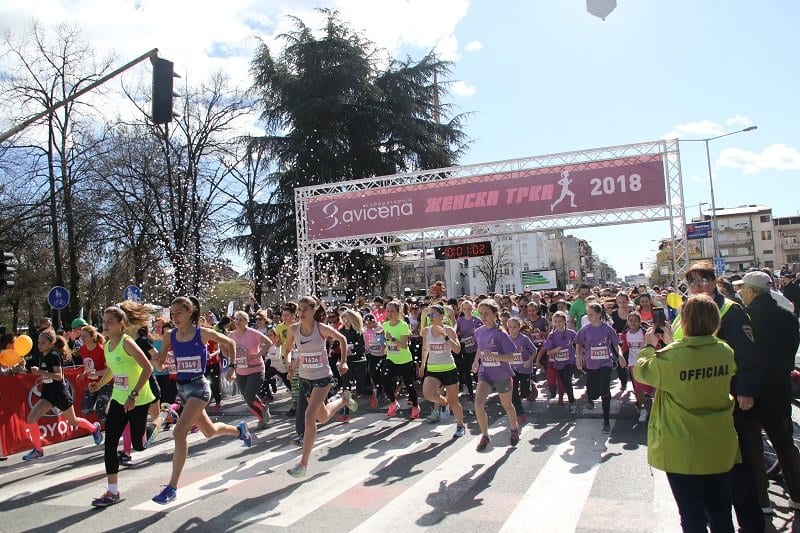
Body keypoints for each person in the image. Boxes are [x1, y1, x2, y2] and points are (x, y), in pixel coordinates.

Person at [633, 294, 738, 532]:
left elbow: (642, 373)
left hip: (682, 445)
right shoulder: (724, 351)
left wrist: (649, 346)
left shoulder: (672, 357)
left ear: (685, 321)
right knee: (721, 508)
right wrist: (673, 343)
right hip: (718, 443)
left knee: (691, 514)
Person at [677, 261, 763, 532]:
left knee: (737, 466)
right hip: (694, 402)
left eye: (702, 280)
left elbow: (747, 354)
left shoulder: (730, 310)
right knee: (707, 471)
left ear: (714, 282)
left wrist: (746, 391)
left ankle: (751, 524)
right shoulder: (686, 310)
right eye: (692, 282)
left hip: (727, 399)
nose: (697, 286)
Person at [151, 296, 252, 505]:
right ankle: (239, 430)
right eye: (173, 313)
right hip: (182, 389)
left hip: (199, 388)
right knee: (210, 431)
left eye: (179, 312)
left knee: (179, 432)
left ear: (190, 312)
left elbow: (230, 342)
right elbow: (160, 364)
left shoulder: (202, 333)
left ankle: (172, 488)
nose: (175, 317)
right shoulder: (170, 336)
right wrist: (158, 362)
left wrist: (232, 366)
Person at [736, 271, 800, 513]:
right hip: (779, 388)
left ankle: (762, 501)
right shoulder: (787, 315)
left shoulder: (745, 316)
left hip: (751, 390)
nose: (740, 292)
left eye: (743, 288)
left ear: (752, 291)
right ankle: (797, 495)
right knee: (785, 445)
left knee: (753, 448)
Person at [89, 305, 155, 507]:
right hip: (118, 399)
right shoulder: (107, 345)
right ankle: (112, 492)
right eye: (104, 321)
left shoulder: (127, 343)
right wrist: (99, 384)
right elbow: (112, 369)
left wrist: (133, 395)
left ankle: (164, 417)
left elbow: (148, 368)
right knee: (109, 444)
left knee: (139, 445)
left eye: (110, 321)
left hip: (138, 399)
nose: (105, 325)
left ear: (121, 324)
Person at [285, 296, 357, 478]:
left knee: (309, 416)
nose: (301, 313)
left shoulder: (321, 328)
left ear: (314, 310)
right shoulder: (293, 329)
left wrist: (343, 362)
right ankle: (344, 400)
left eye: (305, 310)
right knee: (322, 417)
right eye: (299, 310)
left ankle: (303, 464)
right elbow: (287, 350)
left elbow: (342, 339)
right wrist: (290, 364)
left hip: (322, 378)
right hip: (305, 379)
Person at [22, 328, 103, 462]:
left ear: (51, 343)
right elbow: (50, 373)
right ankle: (38, 450)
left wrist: (40, 372)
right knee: (31, 418)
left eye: (43, 343)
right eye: (39, 342)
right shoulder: (43, 356)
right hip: (48, 394)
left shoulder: (53, 355)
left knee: (73, 421)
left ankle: (94, 428)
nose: (39, 345)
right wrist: (42, 378)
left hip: (60, 394)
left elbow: (59, 376)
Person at [472, 299, 520, 451]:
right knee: (478, 405)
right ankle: (485, 436)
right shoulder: (478, 331)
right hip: (485, 373)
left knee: (507, 405)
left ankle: (514, 429)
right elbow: (481, 348)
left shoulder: (501, 334)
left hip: (501, 374)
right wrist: (476, 361)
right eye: (481, 314)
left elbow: (513, 357)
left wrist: (495, 357)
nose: (483, 317)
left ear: (494, 314)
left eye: (486, 313)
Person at [575, 302, 624, 434]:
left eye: (591, 314)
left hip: (605, 363)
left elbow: (616, 344)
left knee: (604, 390)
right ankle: (590, 397)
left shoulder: (607, 329)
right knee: (594, 394)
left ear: (598, 314)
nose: (588, 317)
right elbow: (578, 343)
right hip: (591, 364)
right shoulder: (585, 329)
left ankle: (606, 421)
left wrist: (620, 356)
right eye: (588, 314)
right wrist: (579, 357)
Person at [419, 304, 464, 436]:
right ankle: (445, 403)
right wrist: (423, 364)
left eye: (433, 315)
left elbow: (457, 350)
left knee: (454, 402)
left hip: (449, 368)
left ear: (441, 316)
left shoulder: (448, 330)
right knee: (428, 394)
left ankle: (460, 425)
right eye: (429, 315)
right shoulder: (426, 331)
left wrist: (445, 337)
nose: (430, 317)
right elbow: (425, 348)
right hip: (433, 369)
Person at [226, 310, 272, 429]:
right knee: (247, 399)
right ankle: (262, 419)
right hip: (240, 371)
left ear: (246, 321)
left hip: (256, 369)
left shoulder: (253, 333)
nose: (238, 322)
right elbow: (225, 350)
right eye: (236, 319)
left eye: (241, 320)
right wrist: (231, 363)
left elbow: (269, 342)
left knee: (249, 395)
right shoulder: (230, 336)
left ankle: (263, 408)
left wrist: (258, 354)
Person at [381, 300, 419, 419]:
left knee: (409, 384)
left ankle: (415, 406)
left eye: (392, 311)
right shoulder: (385, 325)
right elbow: (386, 341)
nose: (390, 313)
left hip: (404, 360)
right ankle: (393, 402)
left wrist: (392, 339)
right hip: (391, 358)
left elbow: (404, 345)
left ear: (398, 312)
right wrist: (385, 346)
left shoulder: (403, 325)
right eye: (388, 311)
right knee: (385, 379)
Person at [537, 311, 578, 413]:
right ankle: (563, 396)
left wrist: (581, 355)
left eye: (560, 321)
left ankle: (572, 402)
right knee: (564, 382)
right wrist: (555, 350)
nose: (558, 323)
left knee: (567, 380)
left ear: (565, 321)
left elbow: (579, 342)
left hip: (570, 361)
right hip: (558, 363)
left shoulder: (571, 333)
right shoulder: (552, 335)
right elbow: (548, 352)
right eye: (555, 321)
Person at [619, 312, 653, 422]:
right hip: (633, 363)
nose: (633, 323)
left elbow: (653, 346)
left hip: (646, 362)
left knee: (649, 388)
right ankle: (642, 410)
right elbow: (624, 346)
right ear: (627, 322)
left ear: (639, 322)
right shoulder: (626, 334)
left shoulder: (644, 333)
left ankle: (653, 403)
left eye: (635, 321)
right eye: (630, 321)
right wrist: (620, 357)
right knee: (638, 388)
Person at [506, 317, 536, 426]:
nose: (512, 329)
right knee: (513, 392)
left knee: (525, 393)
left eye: (514, 327)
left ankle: (531, 386)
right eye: (510, 327)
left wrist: (529, 361)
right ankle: (520, 413)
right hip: (512, 370)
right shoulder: (507, 339)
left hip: (524, 368)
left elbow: (534, 351)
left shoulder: (524, 339)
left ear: (519, 327)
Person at [455, 300, 482, 403]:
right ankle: (470, 393)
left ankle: (480, 391)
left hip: (475, 349)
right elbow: (455, 332)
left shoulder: (477, 320)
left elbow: (482, 334)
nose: (467, 311)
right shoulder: (460, 321)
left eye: (469, 308)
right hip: (464, 349)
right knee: (466, 371)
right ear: (462, 309)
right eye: (465, 309)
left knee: (476, 371)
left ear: (473, 309)